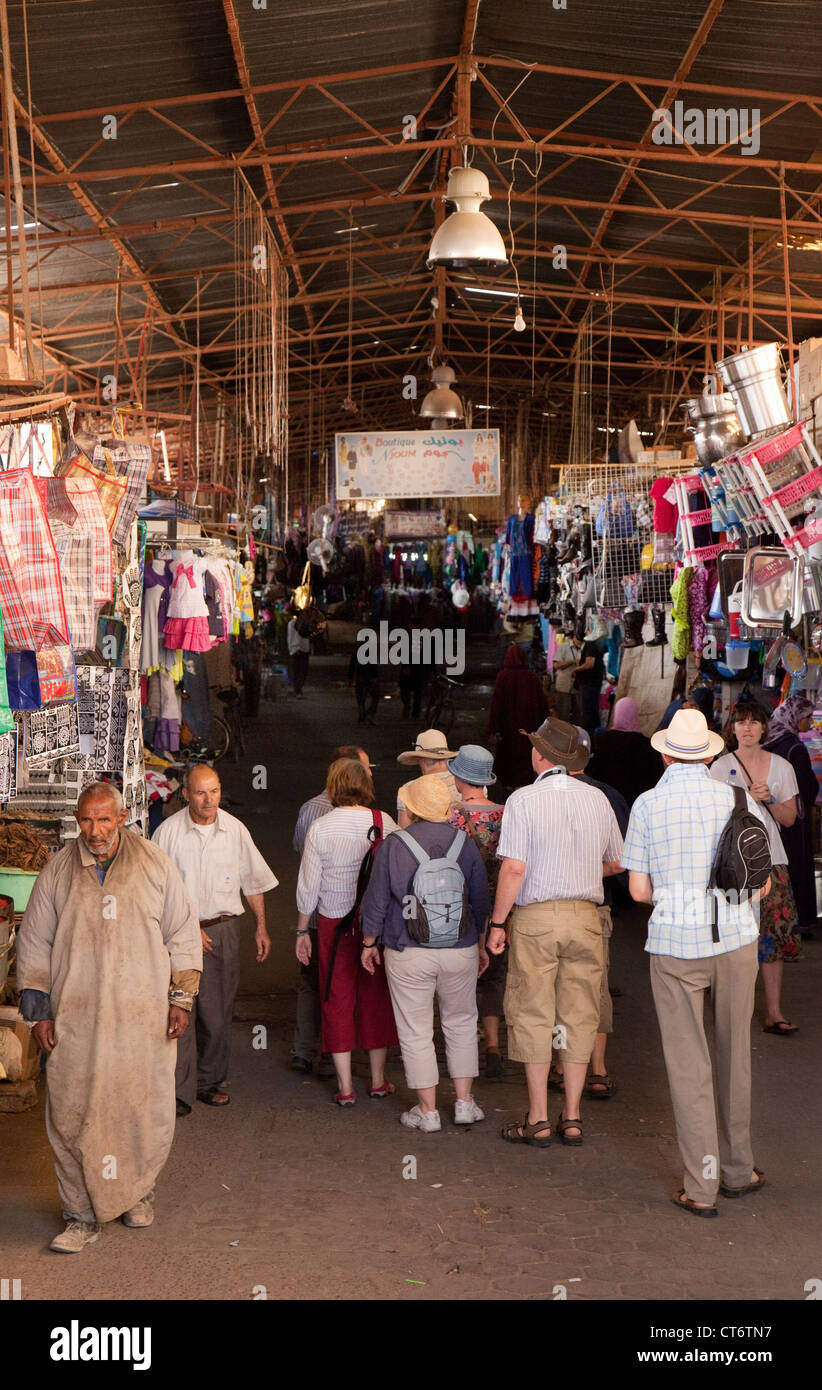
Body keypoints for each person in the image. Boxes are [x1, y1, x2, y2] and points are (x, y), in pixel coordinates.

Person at [16, 782, 201, 1252]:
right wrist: (39, 1013)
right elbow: (34, 943)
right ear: (76, 821)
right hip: (77, 1022)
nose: (94, 831)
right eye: (86, 820)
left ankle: (136, 1192)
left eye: (104, 820)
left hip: (142, 1019)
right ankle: (80, 1216)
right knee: (72, 1112)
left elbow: (183, 932)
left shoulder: (154, 864)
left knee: (139, 1108)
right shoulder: (57, 872)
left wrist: (180, 999)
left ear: (122, 818)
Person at [621, 709, 768, 1217]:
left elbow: (638, 890)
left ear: (664, 754)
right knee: (735, 1054)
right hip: (735, 942)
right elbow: (761, 880)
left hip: (674, 945)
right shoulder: (737, 797)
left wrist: (675, 890)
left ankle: (702, 1188)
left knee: (690, 1068)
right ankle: (738, 1170)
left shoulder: (647, 804)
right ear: (709, 754)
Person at [487, 719, 623, 1149]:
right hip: (586, 917)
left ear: (541, 756)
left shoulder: (523, 800)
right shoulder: (598, 800)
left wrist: (496, 922)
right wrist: (579, 871)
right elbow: (618, 863)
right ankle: (574, 1116)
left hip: (536, 919)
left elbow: (513, 868)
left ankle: (539, 1118)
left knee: (533, 1012)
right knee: (579, 1014)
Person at [359, 774, 490, 1131]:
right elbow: (480, 899)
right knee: (462, 1023)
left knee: (415, 1029)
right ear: (448, 809)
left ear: (411, 809)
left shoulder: (393, 845)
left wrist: (369, 942)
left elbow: (376, 901)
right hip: (459, 947)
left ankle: (428, 1111)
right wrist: (479, 943)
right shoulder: (464, 843)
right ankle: (464, 1104)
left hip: (408, 949)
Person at [152, 764, 278, 1112]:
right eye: (201, 792)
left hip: (223, 930)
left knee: (217, 1011)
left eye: (215, 791)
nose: (209, 800)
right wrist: (187, 928)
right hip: (178, 931)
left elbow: (253, 882)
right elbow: (155, 891)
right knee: (179, 1009)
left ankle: (210, 1081)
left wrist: (261, 926)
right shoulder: (167, 834)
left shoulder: (235, 831)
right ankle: (180, 1090)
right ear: (186, 795)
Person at [295, 757, 398, 1105]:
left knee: (336, 999)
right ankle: (379, 1080)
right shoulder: (383, 822)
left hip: (331, 924)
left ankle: (345, 1087)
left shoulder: (321, 828)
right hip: (375, 927)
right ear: (365, 786)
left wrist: (301, 933)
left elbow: (308, 888)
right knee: (375, 999)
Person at [548, 727, 630, 1101]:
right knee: (594, 988)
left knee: (554, 988)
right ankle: (597, 1069)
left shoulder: (538, 796)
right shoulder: (609, 796)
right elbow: (622, 861)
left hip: (548, 907)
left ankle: (562, 1064)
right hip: (597, 907)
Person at [711, 698, 801, 1034]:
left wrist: (770, 800)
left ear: (764, 727)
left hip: (772, 861)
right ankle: (736, 1007)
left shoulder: (781, 767)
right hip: (734, 863)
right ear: (731, 728)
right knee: (733, 934)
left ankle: (774, 1011)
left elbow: (790, 819)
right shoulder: (719, 768)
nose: (747, 728)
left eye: (753, 722)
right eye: (741, 722)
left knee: (772, 937)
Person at [291, 745, 372, 1075]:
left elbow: (304, 862)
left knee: (320, 986)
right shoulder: (376, 820)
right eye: (365, 769)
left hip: (321, 914)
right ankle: (341, 1056)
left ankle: (310, 1052)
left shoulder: (312, 813)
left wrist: (301, 928)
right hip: (353, 919)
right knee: (346, 988)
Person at [445, 745, 507, 1078]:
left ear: (459, 777)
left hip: (462, 905)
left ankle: (466, 1045)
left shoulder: (453, 815)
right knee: (494, 976)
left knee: (463, 977)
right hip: (499, 907)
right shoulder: (505, 812)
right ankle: (494, 1044)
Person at [764, 694, 818, 938]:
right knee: (798, 863)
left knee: (778, 865)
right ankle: (800, 920)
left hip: (772, 815)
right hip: (794, 817)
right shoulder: (795, 748)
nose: (809, 723)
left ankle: (778, 918)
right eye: (807, 718)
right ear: (795, 718)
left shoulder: (769, 742)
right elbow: (807, 787)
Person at [487, 645, 549, 789]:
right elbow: (542, 704)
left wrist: (492, 729)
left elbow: (497, 704)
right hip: (529, 728)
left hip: (507, 729)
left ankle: (509, 788)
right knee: (526, 758)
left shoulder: (503, 676)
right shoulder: (532, 677)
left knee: (508, 758)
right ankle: (524, 787)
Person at [587, 696, 664, 808]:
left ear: (616, 714)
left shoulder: (602, 741)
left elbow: (593, 773)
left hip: (606, 804)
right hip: (637, 807)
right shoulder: (648, 746)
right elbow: (656, 780)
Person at [396, 728, 459, 805]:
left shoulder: (408, 791)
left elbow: (405, 817)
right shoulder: (465, 783)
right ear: (447, 756)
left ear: (420, 759)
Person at [571, 627, 605, 739]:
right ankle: (594, 736)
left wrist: (576, 670)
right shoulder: (592, 644)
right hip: (591, 683)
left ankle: (590, 737)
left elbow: (589, 663)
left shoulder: (590, 644)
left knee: (589, 713)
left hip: (589, 684)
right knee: (591, 712)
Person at [551, 629, 578, 724]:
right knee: (563, 715)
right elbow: (556, 665)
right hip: (564, 686)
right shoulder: (564, 647)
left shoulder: (585, 647)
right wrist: (571, 662)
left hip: (578, 687)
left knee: (578, 715)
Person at [348, 645, 379, 724]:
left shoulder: (357, 649)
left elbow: (352, 664)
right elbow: (373, 664)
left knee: (361, 698)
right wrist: (375, 676)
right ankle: (369, 714)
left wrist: (350, 678)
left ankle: (362, 716)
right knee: (375, 696)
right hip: (369, 676)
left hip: (360, 676)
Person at [287, 614, 311, 697]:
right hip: (301, 649)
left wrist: (292, 649)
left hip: (296, 650)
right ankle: (298, 690)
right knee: (301, 671)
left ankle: (297, 690)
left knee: (297, 671)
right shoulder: (304, 623)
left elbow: (290, 637)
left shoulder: (291, 623)